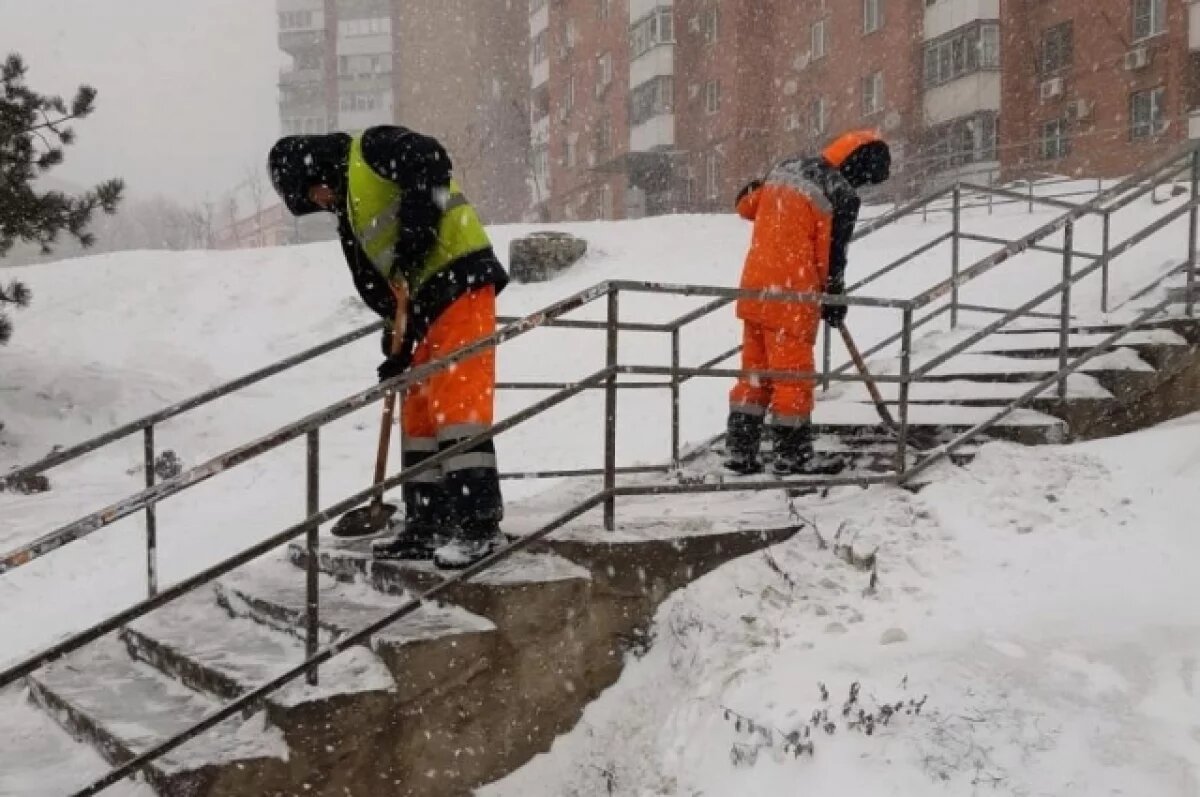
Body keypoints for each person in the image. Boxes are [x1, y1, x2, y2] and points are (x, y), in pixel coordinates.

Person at [267, 126, 508, 569]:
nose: (320, 202)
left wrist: (416, 237)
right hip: (421, 304)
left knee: (456, 406)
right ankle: (427, 522)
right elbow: (382, 287)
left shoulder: (372, 149)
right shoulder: (350, 211)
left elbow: (431, 157)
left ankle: (478, 525)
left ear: (315, 168)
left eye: (313, 192)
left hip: (460, 278)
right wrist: (396, 346)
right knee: (418, 414)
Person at [725, 129, 891, 476]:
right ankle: (793, 455)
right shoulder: (840, 194)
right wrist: (834, 296)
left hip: (756, 290)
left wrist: (763, 185)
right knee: (792, 379)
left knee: (755, 374)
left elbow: (745, 206)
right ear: (858, 167)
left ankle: (740, 450)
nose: (861, 187)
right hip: (792, 296)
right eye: (865, 179)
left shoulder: (789, 167)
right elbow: (834, 255)